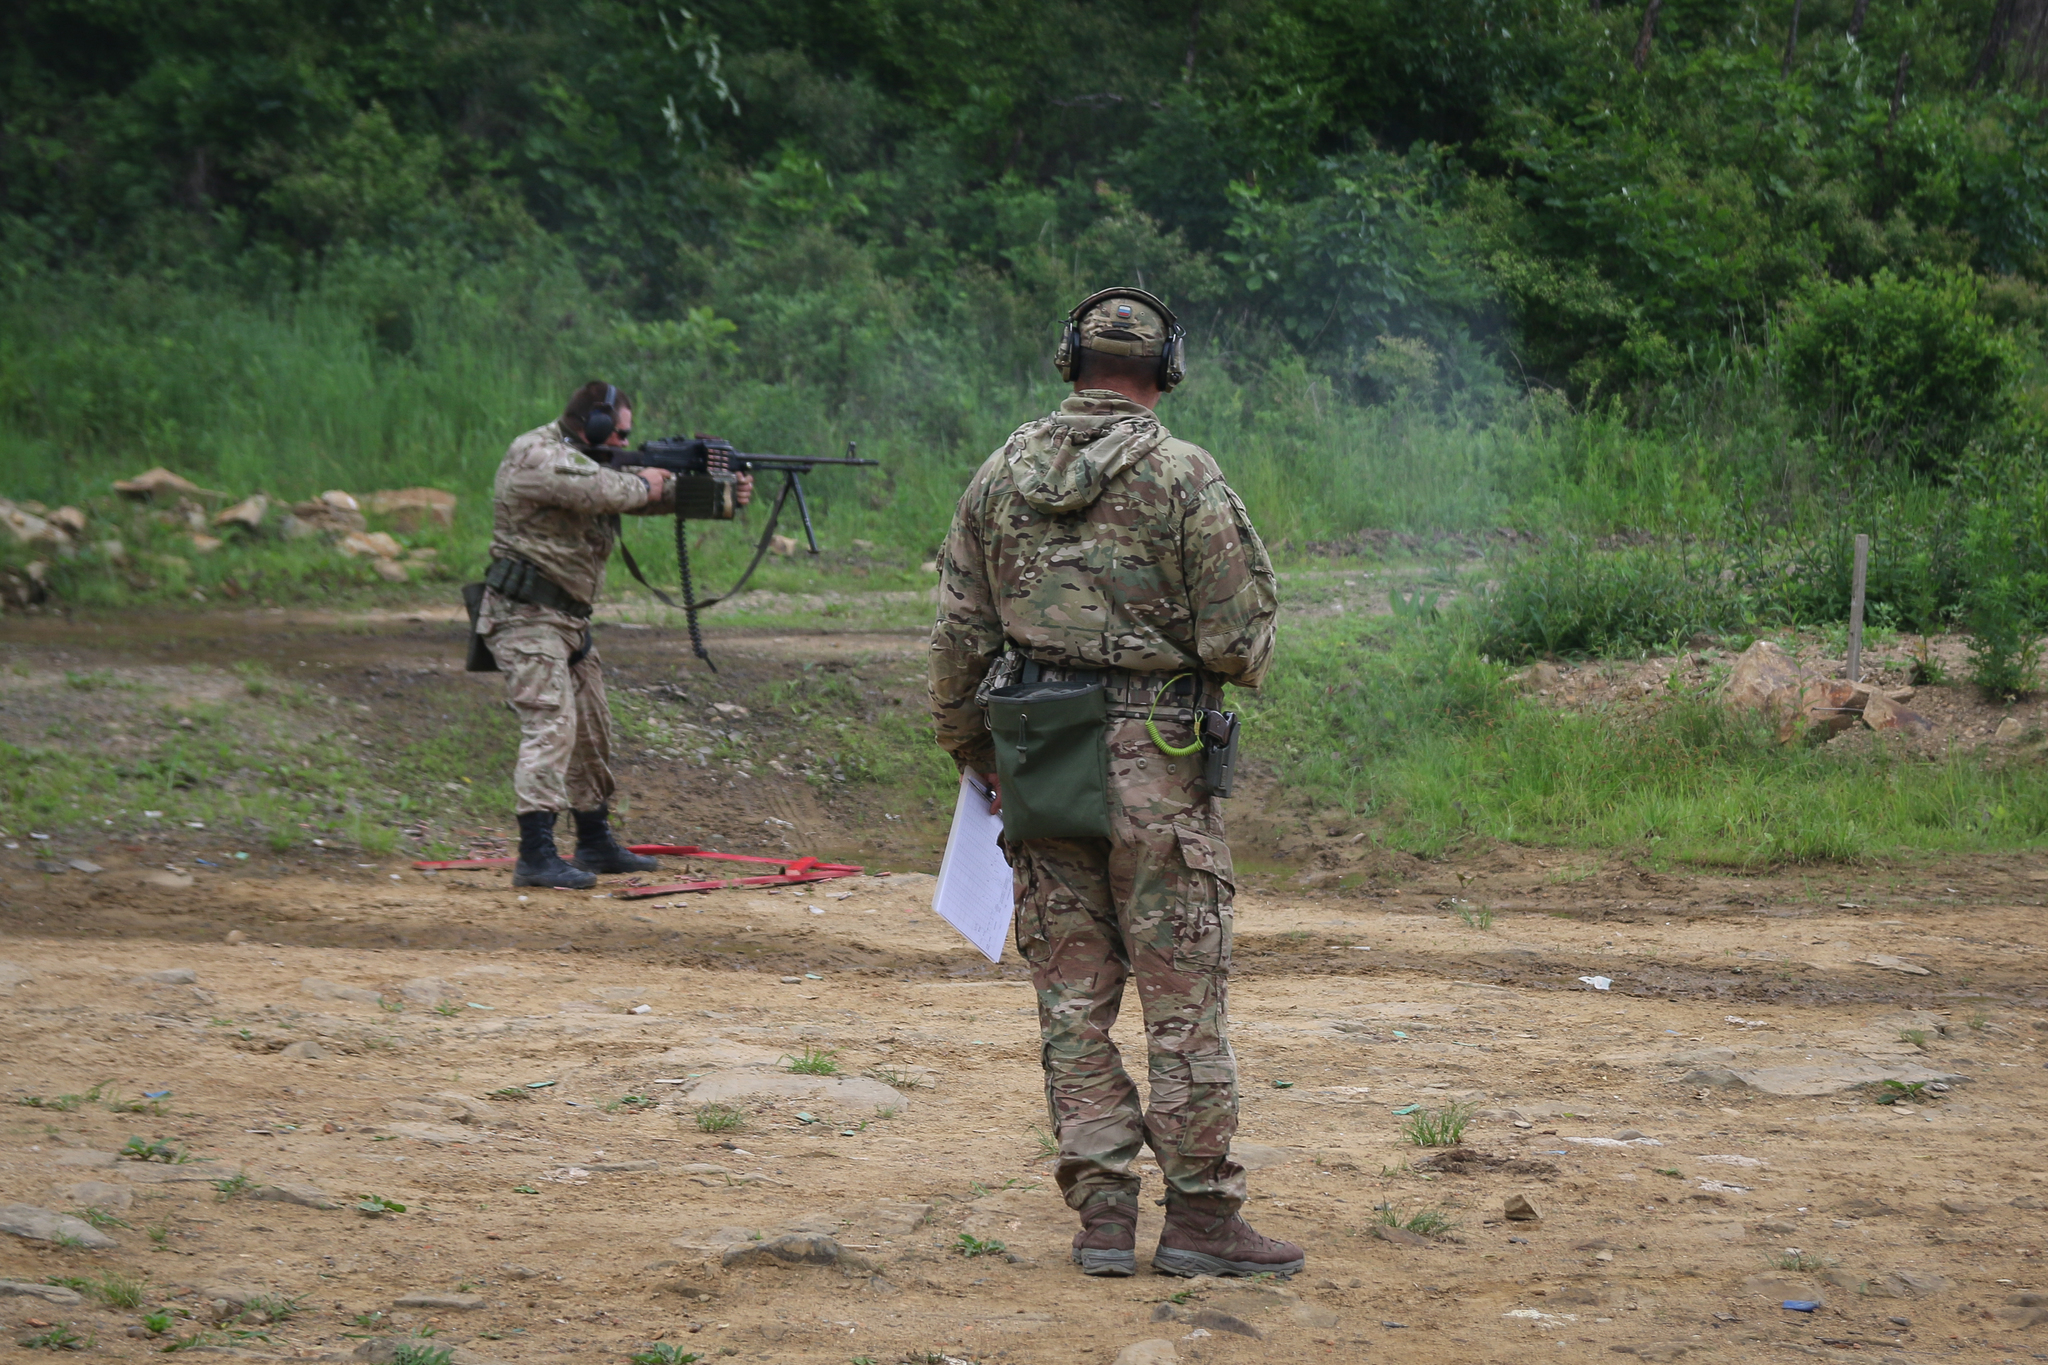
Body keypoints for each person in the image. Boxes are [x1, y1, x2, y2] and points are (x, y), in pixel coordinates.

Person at [928, 289, 1295, 1279]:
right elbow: (1236, 640)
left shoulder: (998, 474)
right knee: (1180, 1003)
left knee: (1069, 1002)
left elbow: (958, 635)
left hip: (1036, 758)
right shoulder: (1184, 476)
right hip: (1156, 761)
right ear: (1164, 368)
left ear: (1068, 360)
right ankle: (1200, 1219)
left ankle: (1099, 1218)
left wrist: (977, 754)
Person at [477, 380, 747, 889]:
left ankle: (594, 841)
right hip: (526, 616)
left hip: (569, 621)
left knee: (593, 731)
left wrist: (723, 493)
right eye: (619, 433)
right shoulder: (535, 454)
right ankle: (535, 854)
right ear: (593, 425)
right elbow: (605, 489)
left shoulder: (589, 459)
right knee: (551, 726)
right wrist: (654, 480)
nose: (624, 443)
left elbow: (639, 496)